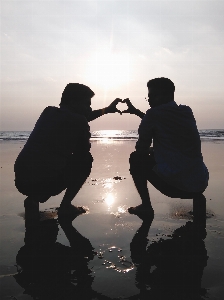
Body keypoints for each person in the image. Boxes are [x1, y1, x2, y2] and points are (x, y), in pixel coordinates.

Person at [14, 83, 122, 222]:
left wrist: (106, 110)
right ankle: (65, 206)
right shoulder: (80, 121)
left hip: (21, 179)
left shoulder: (48, 111)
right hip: (44, 181)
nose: (89, 108)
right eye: (87, 104)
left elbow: (75, 117)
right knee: (85, 160)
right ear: (73, 102)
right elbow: (82, 151)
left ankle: (34, 199)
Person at [122, 77, 209, 217]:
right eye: (148, 97)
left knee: (136, 158)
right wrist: (137, 112)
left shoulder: (152, 115)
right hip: (200, 183)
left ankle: (146, 206)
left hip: (174, 187)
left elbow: (141, 149)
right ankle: (197, 198)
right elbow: (166, 124)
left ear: (168, 95)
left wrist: (151, 150)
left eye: (153, 96)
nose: (149, 100)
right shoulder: (186, 111)